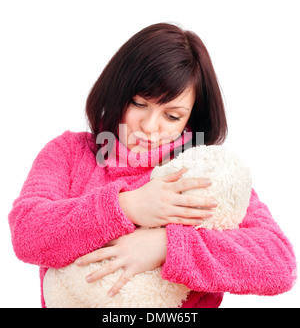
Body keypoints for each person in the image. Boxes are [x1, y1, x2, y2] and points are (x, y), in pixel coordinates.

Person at [8, 23, 296, 308]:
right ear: (116, 92)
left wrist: (166, 246)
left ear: (191, 120)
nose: (149, 126)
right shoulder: (71, 152)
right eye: (139, 103)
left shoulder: (205, 171)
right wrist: (127, 206)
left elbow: (278, 264)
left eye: (172, 116)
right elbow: (26, 233)